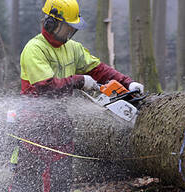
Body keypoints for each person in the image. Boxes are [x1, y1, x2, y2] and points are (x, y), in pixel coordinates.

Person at [11, 0, 144, 191]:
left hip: (61, 124)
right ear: (51, 23)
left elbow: (99, 69)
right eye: (66, 28)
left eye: (71, 29)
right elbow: (46, 87)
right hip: (35, 126)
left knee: (61, 182)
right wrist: (80, 81)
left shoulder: (73, 48)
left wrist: (127, 83)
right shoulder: (34, 49)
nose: (69, 33)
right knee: (30, 182)